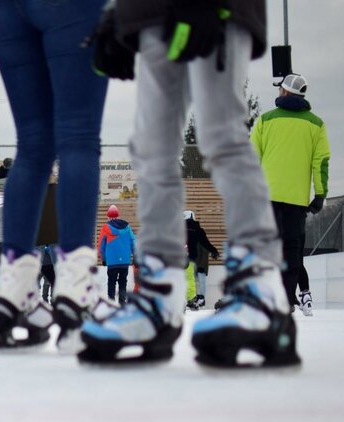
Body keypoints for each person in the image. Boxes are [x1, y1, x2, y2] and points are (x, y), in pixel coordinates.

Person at [82, 0, 298, 368]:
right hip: (152, 12)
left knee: (222, 135)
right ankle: (160, 295)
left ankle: (263, 290)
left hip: (220, 10)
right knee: (152, 147)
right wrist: (119, 13)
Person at [0, 0, 108, 351]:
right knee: (79, 138)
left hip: (7, 9)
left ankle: (15, 284)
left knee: (33, 145)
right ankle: (76, 285)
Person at [250, 72, 331, 311]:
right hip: (296, 199)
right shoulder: (316, 124)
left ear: (284, 91)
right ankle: (286, 299)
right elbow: (321, 162)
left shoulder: (265, 120)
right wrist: (320, 194)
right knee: (291, 250)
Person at [98, 205, 136, 304]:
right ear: (118, 216)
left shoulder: (105, 228)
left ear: (108, 217)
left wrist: (104, 259)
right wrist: (135, 256)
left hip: (112, 262)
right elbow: (133, 242)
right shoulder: (127, 227)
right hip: (124, 261)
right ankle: (122, 303)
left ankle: (111, 303)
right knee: (123, 282)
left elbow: (101, 246)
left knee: (111, 282)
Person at [183, 210, 219, 310]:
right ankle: (190, 300)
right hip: (190, 258)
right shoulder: (197, 229)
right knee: (190, 279)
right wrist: (213, 250)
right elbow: (205, 242)